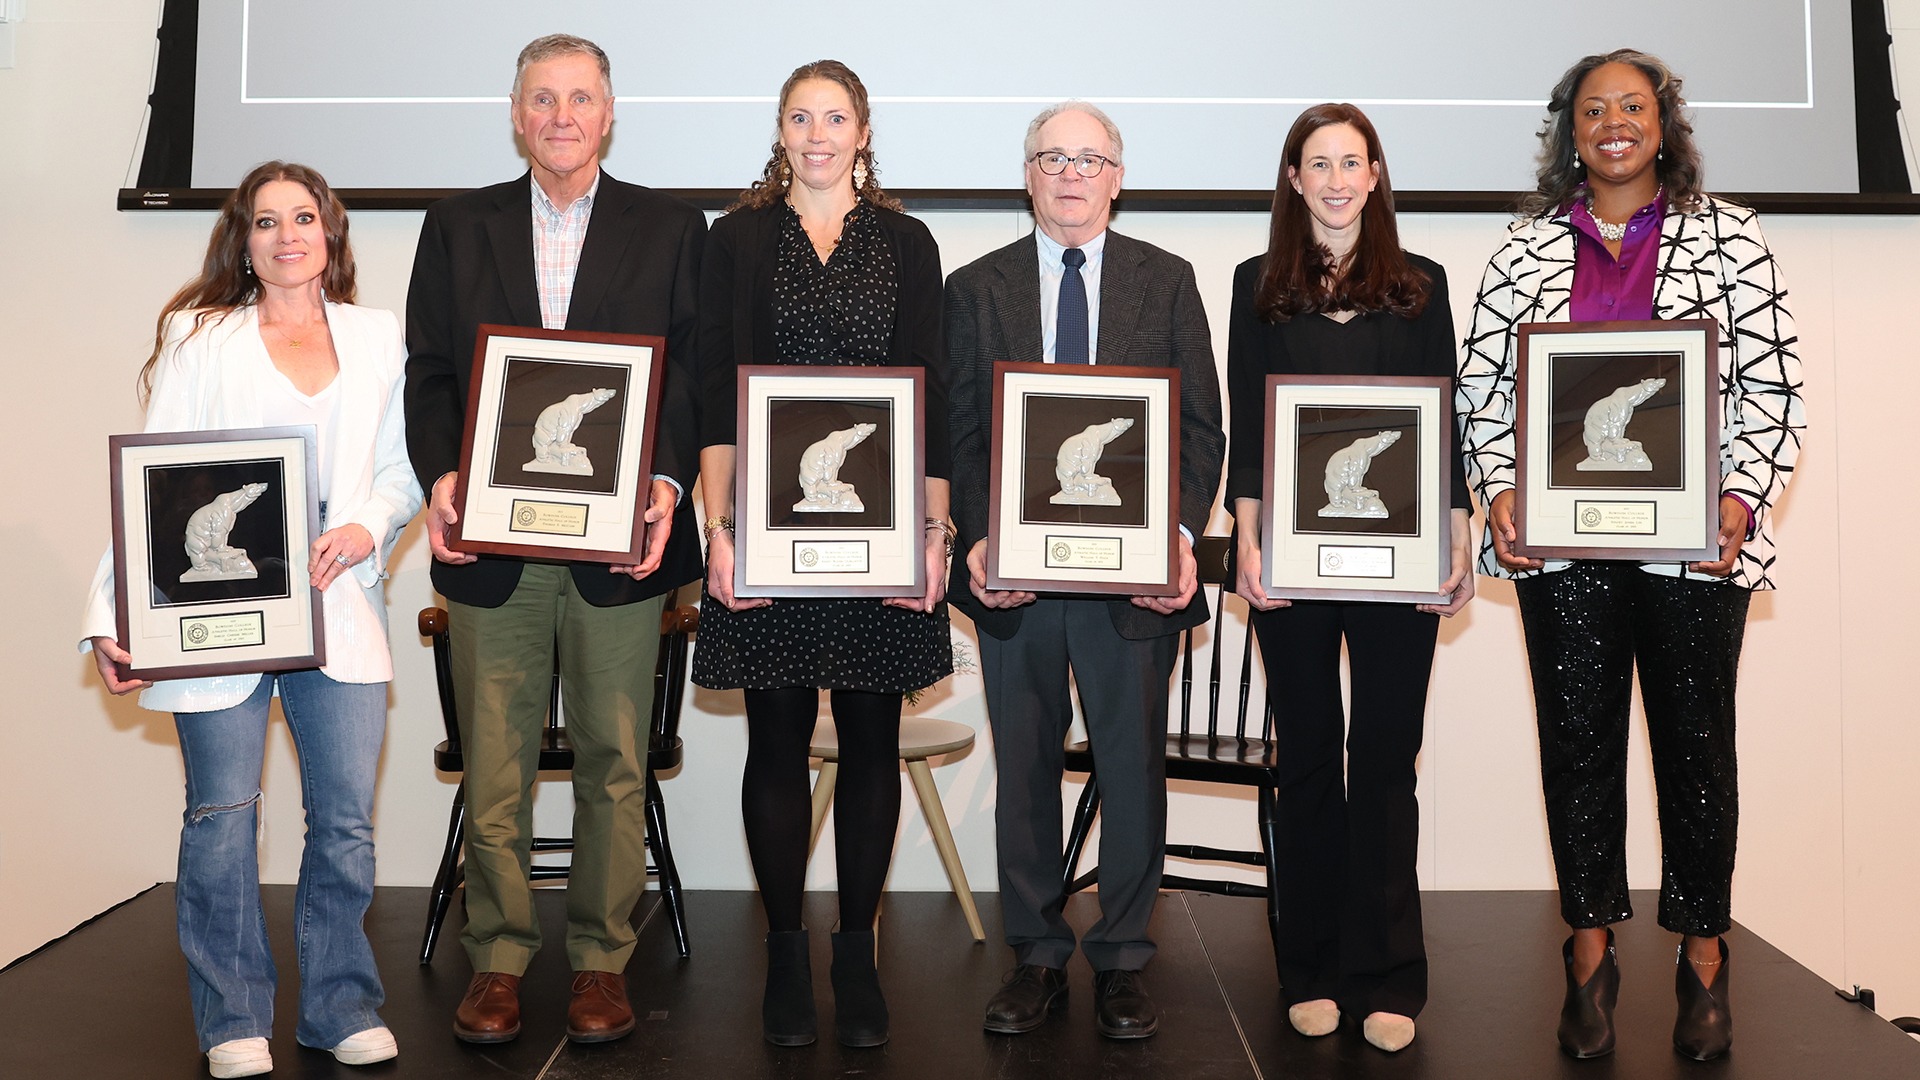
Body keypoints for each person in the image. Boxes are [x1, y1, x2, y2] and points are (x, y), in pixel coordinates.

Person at [1456, 49, 1805, 1062]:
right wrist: (1506, 491)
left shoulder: (1731, 236)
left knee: (1697, 754)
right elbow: (1484, 391)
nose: (1614, 122)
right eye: (1594, 109)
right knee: (1577, 747)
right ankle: (1589, 951)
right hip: (1562, 558)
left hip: (1693, 556)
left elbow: (1773, 388)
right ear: (1571, 132)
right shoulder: (1523, 250)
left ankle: (1704, 957)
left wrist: (1738, 500)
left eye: (1633, 106)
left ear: (1664, 124)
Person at [80, 161, 421, 1078]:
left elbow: (402, 467)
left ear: (330, 232)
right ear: (245, 238)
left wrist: (366, 526)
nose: (285, 236)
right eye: (265, 221)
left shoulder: (376, 335)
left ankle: (339, 1006)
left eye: (302, 217)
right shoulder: (202, 340)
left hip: (339, 609)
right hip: (216, 619)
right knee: (221, 815)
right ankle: (232, 1018)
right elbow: (153, 483)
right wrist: (112, 618)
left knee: (344, 822)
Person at [402, 33, 706, 1045]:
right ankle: (496, 957)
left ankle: (599, 962)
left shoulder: (670, 228)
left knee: (617, 756)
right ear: (517, 113)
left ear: (609, 113)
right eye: (543, 98)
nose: (562, 116)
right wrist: (444, 475)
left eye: (581, 98)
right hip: (496, 551)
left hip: (621, 553)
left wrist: (664, 484)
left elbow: (691, 373)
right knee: (497, 760)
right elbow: (432, 371)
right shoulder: (456, 227)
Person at [945, 100, 1224, 1040]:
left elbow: (1199, 429)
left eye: (1089, 158)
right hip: (1016, 581)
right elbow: (963, 430)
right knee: (1024, 766)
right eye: (1051, 158)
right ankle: (1034, 953)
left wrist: (1179, 541)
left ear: (1117, 175)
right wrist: (979, 539)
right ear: (1028, 174)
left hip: (1130, 584)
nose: (1071, 174)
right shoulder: (974, 288)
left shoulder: (1169, 280)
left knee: (1132, 766)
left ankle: (1122, 958)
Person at [692, 59, 951, 1050]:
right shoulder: (738, 238)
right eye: (800, 116)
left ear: (863, 129)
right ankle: (787, 956)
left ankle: (857, 952)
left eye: (834, 117)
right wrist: (720, 532)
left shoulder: (910, 243)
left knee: (874, 744)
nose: (816, 133)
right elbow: (718, 391)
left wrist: (933, 534)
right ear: (780, 129)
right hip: (767, 534)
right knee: (775, 744)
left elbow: (927, 392)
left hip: (880, 535)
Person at [1224, 103, 1474, 1055]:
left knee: (1381, 764)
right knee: (1308, 765)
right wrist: (1248, 548)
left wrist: (1453, 547)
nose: (1334, 180)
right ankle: (1313, 969)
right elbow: (1251, 432)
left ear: (1375, 177)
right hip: (1289, 566)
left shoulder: (1421, 286)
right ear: (1293, 180)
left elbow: (1442, 427)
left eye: (1351, 163)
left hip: (1399, 568)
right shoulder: (1256, 284)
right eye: (1316, 164)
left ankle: (1388, 976)